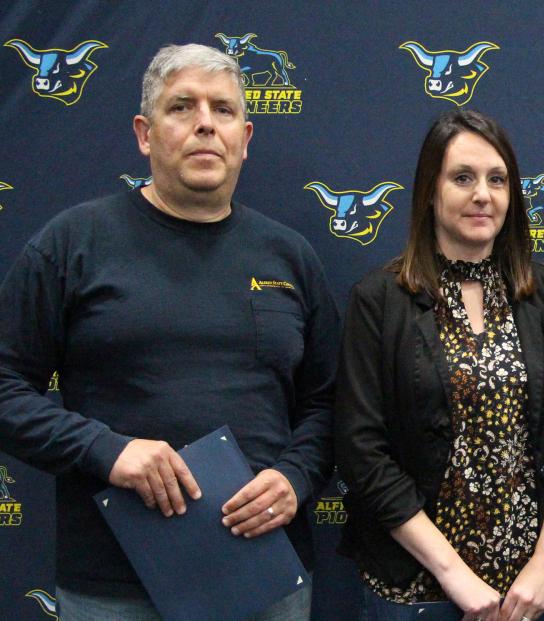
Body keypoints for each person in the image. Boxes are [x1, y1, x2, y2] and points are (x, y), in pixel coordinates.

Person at [0, 44, 338, 619]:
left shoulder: (291, 257)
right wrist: (107, 451)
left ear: (246, 138)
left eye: (223, 110)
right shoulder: (72, 244)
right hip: (113, 587)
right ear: (144, 133)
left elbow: (330, 402)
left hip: (266, 579)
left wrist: (296, 475)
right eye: (182, 107)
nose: (206, 123)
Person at [334, 108, 544, 621]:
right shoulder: (380, 299)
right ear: (429, 191)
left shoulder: (539, 293)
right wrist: (455, 576)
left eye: (497, 180)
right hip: (416, 590)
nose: (483, 194)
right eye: (462, 178)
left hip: (532, 594)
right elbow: (361, 451)